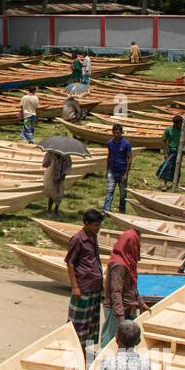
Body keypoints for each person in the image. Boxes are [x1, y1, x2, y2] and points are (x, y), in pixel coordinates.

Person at [64, 208, 104, 353]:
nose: (98, 228)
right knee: (78, 323)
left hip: (95, 286)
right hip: (83, 286)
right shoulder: (77, 239)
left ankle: (84, 350)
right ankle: (73, 350)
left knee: (91, 321)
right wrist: (75, 286)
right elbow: (70, 262)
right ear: (86, 223)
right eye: (95, 225)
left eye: (99, 225)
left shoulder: (93, 236)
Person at [101, 229, 149, 347]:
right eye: (137, 243)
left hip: (127, 306)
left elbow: (133, 286)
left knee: (127, 342)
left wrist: (141, 302)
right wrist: (121, 318)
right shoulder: (119, 265)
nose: (139, 245)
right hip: (116, 309)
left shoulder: (129, 262)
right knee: (111, 341)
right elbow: (115, 293)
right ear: (130, 244)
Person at [156, 115, 185, 190]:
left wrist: (184, 143)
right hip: (171, 151)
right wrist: (165, 153)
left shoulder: (184, 129)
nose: (181, 124)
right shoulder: (169, 130)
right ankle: (165, 184)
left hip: (180, 151)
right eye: (180, 123)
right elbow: (164, 141)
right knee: (167, 167)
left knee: (177, 167)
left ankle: (175, 184)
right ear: (176, 123)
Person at [104, 123, 132, 212]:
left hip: (122, 173)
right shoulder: (110, 143)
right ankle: (106, 210)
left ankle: (122, 211)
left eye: (117, 133)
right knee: (109, 192)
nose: (116, 134)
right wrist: (107, 170)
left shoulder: (126, 144)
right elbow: (109, 157)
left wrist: (126, 174)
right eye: (114, 132)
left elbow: (129, 158)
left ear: (121, 132)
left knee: (123, 195)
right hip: (112, 172)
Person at [42, 146, 72, 217]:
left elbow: (69, 165)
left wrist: (64, 174)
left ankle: (56, 210)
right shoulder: (50, 153)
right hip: (51, 175)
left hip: (61, 176)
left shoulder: (66, 155)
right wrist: (47, 163)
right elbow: (44, 164)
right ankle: (49, 210)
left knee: (59, 193)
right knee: (51, 193)